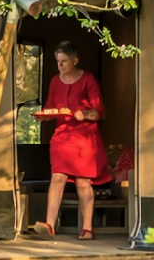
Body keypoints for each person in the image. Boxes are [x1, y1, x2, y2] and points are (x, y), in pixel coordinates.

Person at [31, 41, 111, 241]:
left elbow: (98, 112)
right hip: (62, 137)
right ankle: (49, 225)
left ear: (75, 60)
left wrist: (84, 113)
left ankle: (87, 228)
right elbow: (50, 107)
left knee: (83, 182)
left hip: (84, 138)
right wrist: (44, 116)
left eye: (64, 61)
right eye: (58, 61)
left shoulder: (88, 80)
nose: (60, 65)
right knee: (57, 177)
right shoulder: (55, 82)